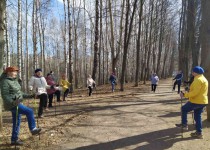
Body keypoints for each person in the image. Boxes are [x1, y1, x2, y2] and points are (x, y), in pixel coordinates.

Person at [0, 66, 41, 146]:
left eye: (16, 72)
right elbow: (5, 95)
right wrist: (13, 102)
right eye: (14, 72)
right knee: (29, 111)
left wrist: (31, 96)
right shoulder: (5, 81)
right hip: (12, 104)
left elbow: (20, 93)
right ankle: (33, 129)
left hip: (17, 103)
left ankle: (14, 140)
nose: (16, 73)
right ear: (8, 73)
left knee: (17, 122)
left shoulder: (14, 81)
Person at [175, 66, 208, 139]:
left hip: (197, 101)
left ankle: (184, 124)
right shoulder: (203, 79)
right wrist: (188, 90)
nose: (192, 73)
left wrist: (184, 94)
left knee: (184, 109)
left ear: (196, 72)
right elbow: (197, 90)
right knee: (197, 116)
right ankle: (199, 133)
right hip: (203, 101)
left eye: (193, 72)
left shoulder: (198, 80)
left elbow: (194, 93)